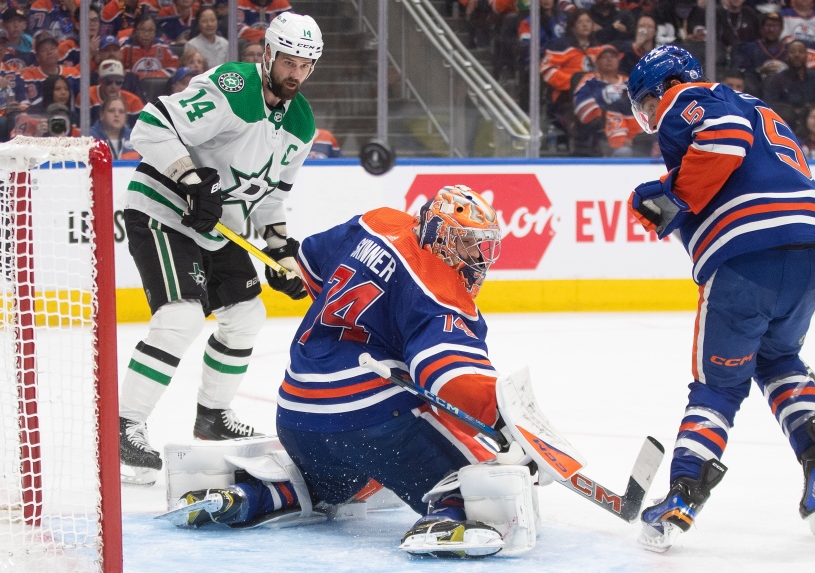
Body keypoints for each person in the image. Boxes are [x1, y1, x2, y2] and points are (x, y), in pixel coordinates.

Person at [170, 186, 517, 558]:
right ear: (436, 232)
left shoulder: (376, 222)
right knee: (477, 480)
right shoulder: (441, 289)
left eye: (479, 245)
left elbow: (312, 261)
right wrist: (503, 420)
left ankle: (255, 495)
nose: (476, 256)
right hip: (372, 422)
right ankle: (449, 513)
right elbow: (449, 375)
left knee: (331, 485)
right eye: (464, 243)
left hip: (297, 413)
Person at [626, 45, 815, 553]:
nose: (648, 116)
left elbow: (723, 144)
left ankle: (682, 497)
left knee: (718, 387)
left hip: (751, 254)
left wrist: (673, 197)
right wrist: (673, 199)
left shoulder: (691, 96)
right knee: (778, 359)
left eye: (645, 102)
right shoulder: (763, 111)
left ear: (665, 86)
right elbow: (754, 171)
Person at [118, 13, 323, 485]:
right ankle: (124, 427)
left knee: (247, 315)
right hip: (164, 211)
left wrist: (280, 250)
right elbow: (149, 126)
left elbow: (272, 196)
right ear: (268, 53)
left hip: (217, 229)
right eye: (289, 61)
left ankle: (211, 418)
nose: (296, 73)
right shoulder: (233, 86)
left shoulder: (302, 123)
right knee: (182, 316)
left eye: (305, 65)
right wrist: (190, 178)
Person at [572, 45, 637, 156]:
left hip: (633, 132)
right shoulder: (589, 80)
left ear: (618, 60)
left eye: (613, 56)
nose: (609, 59)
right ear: (596, 62)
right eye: (604, 57)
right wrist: (610, 123)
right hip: (601, 133)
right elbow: (583, 106)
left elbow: (642, 108)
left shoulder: (629, 82)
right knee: (624, 153)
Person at [762, 40, 815, 128]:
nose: (797, 55)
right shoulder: (776, 80)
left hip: (812, 124)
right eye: (792, 52)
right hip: (785, 125)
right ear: (786, 56)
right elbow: (771, 106)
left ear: (807, 56)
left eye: (801, 52)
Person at [734, 11, 788, 97]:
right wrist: (759, 70)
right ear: (761, 28)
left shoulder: (788, 49)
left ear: (781, 28)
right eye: (768, 26)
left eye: (776, 26)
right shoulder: (749, 48)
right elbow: (743, 73)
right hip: (757, 90)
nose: (771, 30)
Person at [20, 34, 81, 107]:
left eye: (52, 48)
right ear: (37, 57)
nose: (49, 52)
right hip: (38, 117)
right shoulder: (27, 77)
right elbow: (22, 104)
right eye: (44, 50)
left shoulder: (72, 74)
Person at [121, 12, 180, 80]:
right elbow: (117, 69)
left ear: (155, 32)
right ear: (135, 30)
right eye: (142, 30)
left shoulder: (162, 46)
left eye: (150, 30)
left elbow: (174, 68)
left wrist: (152, 77)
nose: (146, 34)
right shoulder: (125, 47)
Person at [87, 59, 144, 127]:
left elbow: (141, 133)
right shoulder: (86, 97)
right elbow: (79, 131)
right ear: (100, 81)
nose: (113, 86)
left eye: (118, 82)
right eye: (109, 82)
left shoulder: (134, 102)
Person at [91, 95, 141, 160]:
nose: (117, 115)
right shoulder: (88, 138)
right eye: (111, 111)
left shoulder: (135, 137)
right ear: (102, 115)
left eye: (121, 112)